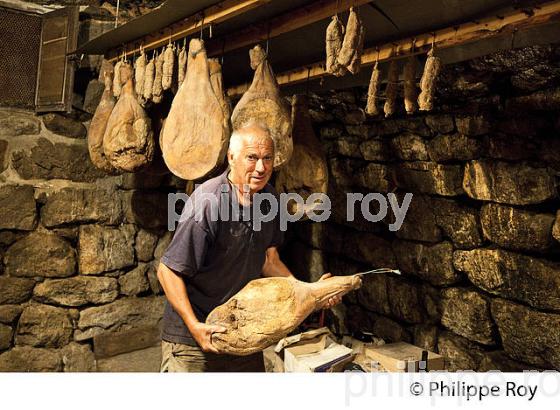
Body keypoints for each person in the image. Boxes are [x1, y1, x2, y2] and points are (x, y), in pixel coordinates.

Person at [157, 123, 340, 372]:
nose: (261, 168)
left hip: (243, 333)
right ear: (232, 158)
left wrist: (307, 291)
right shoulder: (208, 203)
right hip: (194, 341)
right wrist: (193, 325)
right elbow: (167, 271)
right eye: (252, 158)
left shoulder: (270, 199)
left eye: (267, 158)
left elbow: (268, 260)